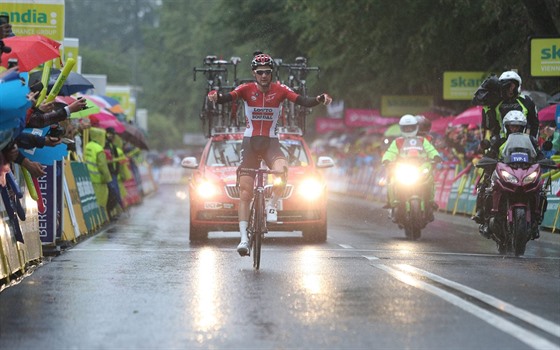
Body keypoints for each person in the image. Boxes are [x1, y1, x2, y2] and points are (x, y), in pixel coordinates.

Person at [207, 52, 332, 256]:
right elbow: (227, 98)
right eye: (260, 72)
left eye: (267, 72)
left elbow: (303, 101)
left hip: (271, 143)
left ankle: (272, 205)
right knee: (246, 191)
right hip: (250, 143)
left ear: (272, 73)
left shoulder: (280, 90)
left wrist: (319, 99)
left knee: (282, 170)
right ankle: (244, 239)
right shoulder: (246, 89)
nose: (264, 76)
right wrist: (216, 96)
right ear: (254, 74)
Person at [473, 110, 545, 227]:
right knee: (485, 186)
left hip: (524, 170)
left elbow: (538, 153)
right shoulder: (499, 140)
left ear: (522, 127)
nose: (515, 129)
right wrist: (486, 160)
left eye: (518, 126)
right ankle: (481, 212)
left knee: (541, 191)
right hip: (504, 170)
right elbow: (491, 153)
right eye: (512, 126)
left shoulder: (530, 140)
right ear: (506, 126)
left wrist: (544, 159)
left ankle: (537, 215)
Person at [381, 114, 442, 221]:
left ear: (415, 127)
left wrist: (436, 156)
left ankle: (430, 202)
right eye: (406, 128)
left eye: (411, 127)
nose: (409, 129)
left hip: (420, 166)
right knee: (391, 180)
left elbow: (430, 149)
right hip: (403, 166)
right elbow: (390, 152)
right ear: (402, 128)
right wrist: (387, 160)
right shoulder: (398, 141)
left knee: (431, 179)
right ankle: (393, 203)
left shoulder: (423, 140)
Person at [483, 70, 539, 139]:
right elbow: (489, 125)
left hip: (523, 143)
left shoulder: (526, 100)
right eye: (507, 86)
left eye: (512, 86)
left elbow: (535, 124)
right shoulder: (496, 102)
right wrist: (487, 107)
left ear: (517, 86)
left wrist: (533, 140)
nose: (510, 89)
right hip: (501, 143)